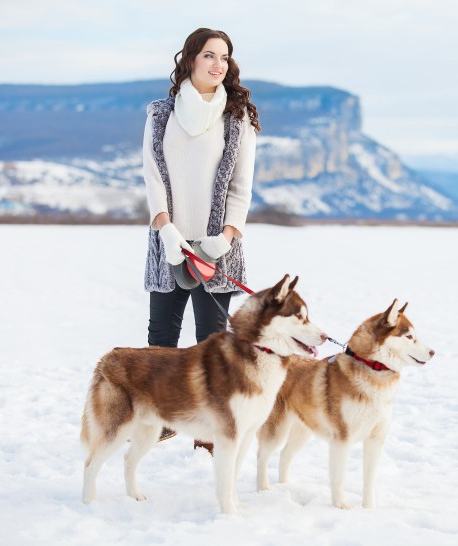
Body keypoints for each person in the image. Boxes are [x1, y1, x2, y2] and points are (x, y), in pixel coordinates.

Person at [142, 28, 260, 450]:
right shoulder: (160, 113)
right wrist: (165, 229)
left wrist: (225, 238)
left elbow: (241, 187)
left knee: (212, 342)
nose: (217, 65)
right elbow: (153, 175)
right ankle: (163, 419)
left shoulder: (237, 117)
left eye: (224, 58)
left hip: (217, 248)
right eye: (209, 55)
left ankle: (210, 431)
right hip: (170, 243)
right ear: (190, 59)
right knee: (161, 339)